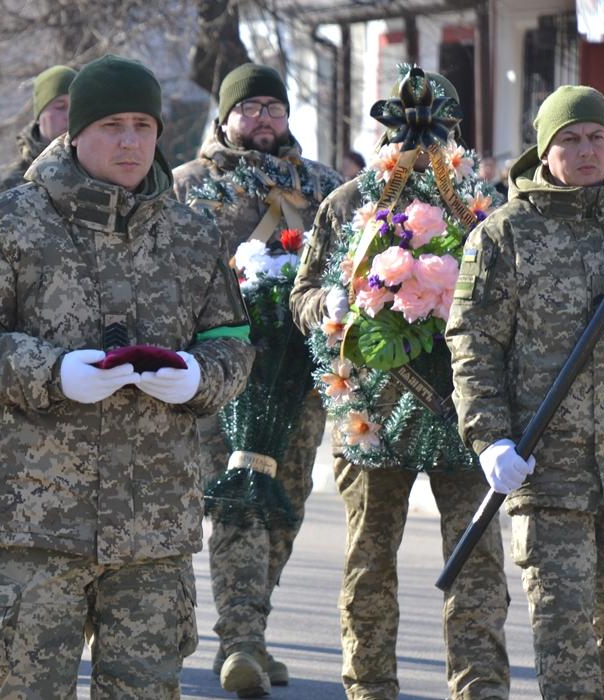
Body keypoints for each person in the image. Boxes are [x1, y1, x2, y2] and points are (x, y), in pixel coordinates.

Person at [0, 54, 255, 698]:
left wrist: (196, 377)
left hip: (152, 525)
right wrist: (54, 372)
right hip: (35, 522)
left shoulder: (191, 233)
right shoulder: (10, 220)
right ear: (73, 133)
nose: (129, 140)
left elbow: (232, 345)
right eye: (110, 124)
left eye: (142, 124)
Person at [446, 85, 604, 699]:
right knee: (564, 636)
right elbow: (473, 344)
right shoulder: (504, 235)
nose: (586, 150)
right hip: (547, 470)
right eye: (569, 139)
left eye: (597, 137)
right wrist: (490, 438)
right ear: (544, 149)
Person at [289, 69, 511, 700]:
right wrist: (330, 305)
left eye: (436, 134)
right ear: (385, 135)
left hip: (464, 407)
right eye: (406, 134)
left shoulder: (483, 206)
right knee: (369, 559)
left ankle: (480, 685)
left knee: (475, 559)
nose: (421, 147)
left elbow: (510, 298)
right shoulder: (349, 204)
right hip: (371, 409)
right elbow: (304, 295)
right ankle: (369, 686)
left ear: (456, 135)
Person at [172, 62, 341, 697]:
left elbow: (348, 259)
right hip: (221, 372)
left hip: (299, 374)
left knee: (285, 505)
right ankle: (239, 642)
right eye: (250, 108)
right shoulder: (189, 185)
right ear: (225, 118)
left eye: (273, 106)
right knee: (241, 499)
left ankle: (255, 629)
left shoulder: (320, 186)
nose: (263, 118)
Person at [0, 64, 76, 206]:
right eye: (60, 106)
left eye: (76, 107)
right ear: (39, 114)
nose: (69, 115)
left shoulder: (98, 179)